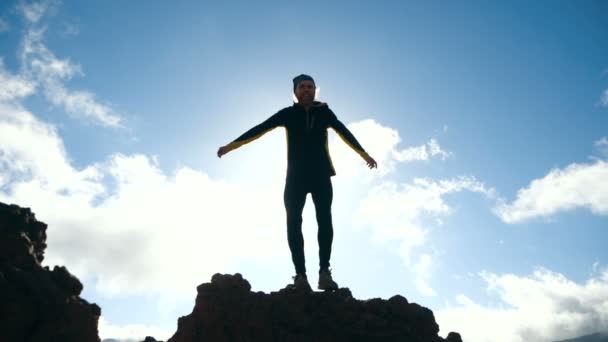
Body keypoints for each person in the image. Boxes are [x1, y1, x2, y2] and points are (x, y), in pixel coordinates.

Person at [217, 74, 377, 291]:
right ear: (295, 91)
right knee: (293, 222)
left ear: (315, 90)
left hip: (321, 175)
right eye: (302, 87)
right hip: (295, 178)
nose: (306, 90)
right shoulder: (288, 114)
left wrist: (363, 154)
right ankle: (301, 276)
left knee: (325, 221)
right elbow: (260, 128)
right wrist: (231, 146)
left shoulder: (325, 112)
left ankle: (324, 273)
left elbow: (343, 131)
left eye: (310, 87)